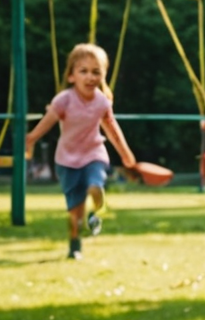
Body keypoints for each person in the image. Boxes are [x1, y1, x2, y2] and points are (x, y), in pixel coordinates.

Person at [23, 43, 139, 259]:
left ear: (103, 76)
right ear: (71, 76)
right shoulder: (64, 100)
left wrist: (125, 153)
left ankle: (98, 207)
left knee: (95, 184)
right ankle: (75, 244)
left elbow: (112, 129)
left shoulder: (102, 102)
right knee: (74, 210)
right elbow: (47, 122)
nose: (90, 77)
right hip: (67, 159)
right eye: (83, 71)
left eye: (96, 72)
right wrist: (31, 138)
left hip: (93, 154)